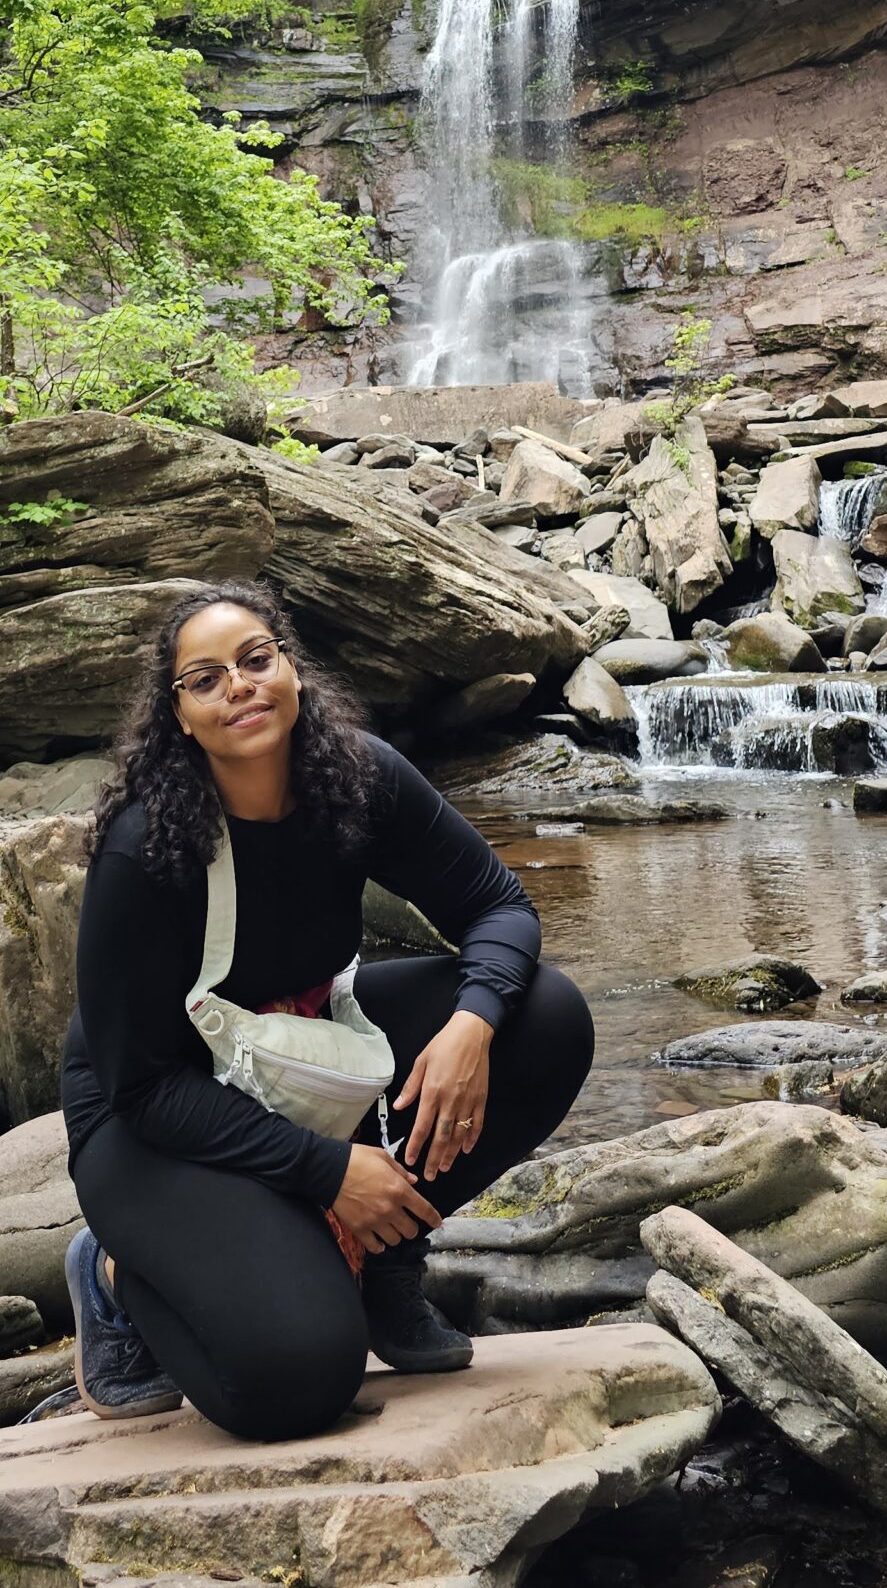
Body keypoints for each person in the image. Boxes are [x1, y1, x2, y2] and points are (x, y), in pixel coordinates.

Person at [59, 580, 593, 1443]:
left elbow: (498, 906)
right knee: (298, 1382)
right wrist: (331, 1174)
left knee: (547, 1017)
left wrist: (472, 1026)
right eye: (205, 679)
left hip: (292, 1047)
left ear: (292, 671)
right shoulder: (146, 848)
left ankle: (386, 1260)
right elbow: (144, 1085)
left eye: (256, 659)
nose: (238, 685)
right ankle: (118, 1276)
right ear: (179, 716)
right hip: (155, 1111)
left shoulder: (357, 777)